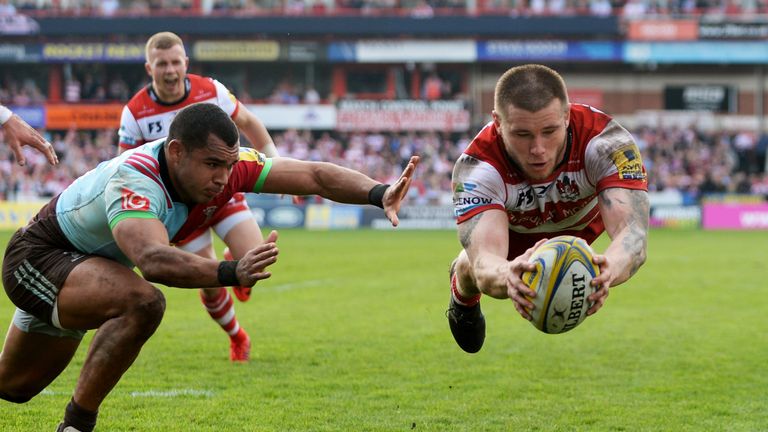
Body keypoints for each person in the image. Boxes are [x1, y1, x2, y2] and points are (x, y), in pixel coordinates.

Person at [0, 102, 419, 432]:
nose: (223, 177)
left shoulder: (229, 164)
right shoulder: (138, 177)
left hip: (90, 269)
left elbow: (313, 176)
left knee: (14, 387)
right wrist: (229, 273)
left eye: (228, 165)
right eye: (212, 165)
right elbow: (152, 260)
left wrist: (378, 192)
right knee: (142, 302)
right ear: (177, 151)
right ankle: (77, 426)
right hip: (39, 257)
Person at [447, 64, 649, 353]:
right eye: (523, 134)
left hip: (581, 229)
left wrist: (608, 270)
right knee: (468, 266)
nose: (538, 149)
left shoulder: (608, 143)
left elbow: (633, 235)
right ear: (498, 122)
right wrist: (508, 276)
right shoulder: (478, 168)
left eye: (550, 130)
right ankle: (461, 299)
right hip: (513, 233)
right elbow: (485, 261)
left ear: (566, 115)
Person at [118, 31, 279, 362]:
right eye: (162, 64)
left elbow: (249, 121)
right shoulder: (135, 113)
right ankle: (237, 336)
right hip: (179, 209)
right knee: (209, 279)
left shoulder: (211, 91)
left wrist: (277, 164)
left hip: (221, 190)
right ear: (150, 68)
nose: (170, 70)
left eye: (176, 62)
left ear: (185, 63)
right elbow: (124, 169)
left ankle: (234, 261)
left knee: (254, 257)